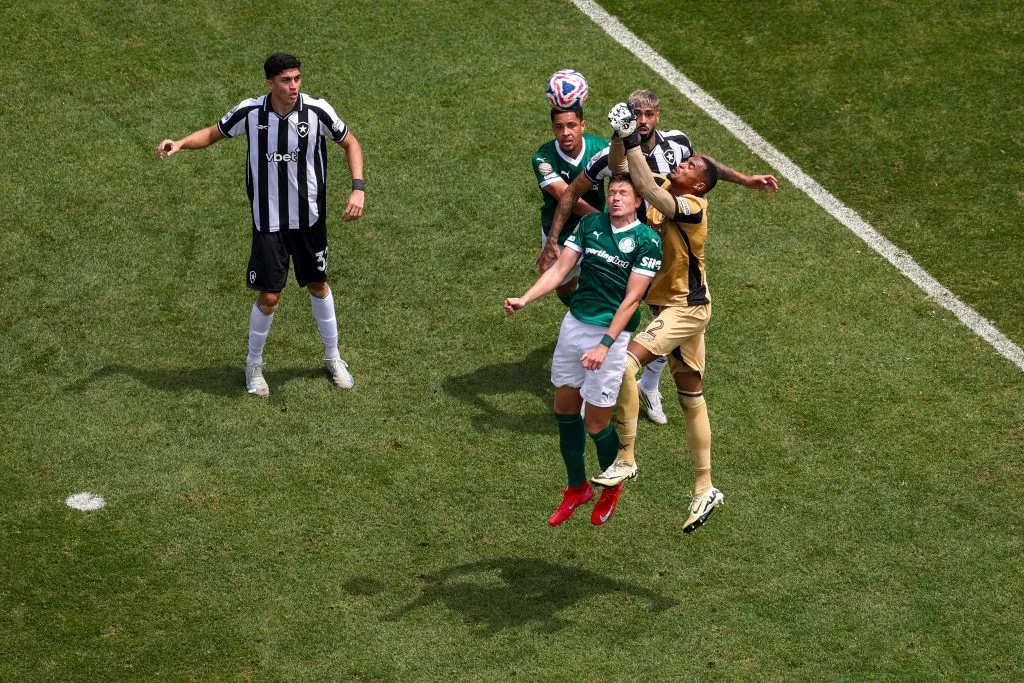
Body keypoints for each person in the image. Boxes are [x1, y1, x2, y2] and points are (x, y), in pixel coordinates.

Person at [539, 89, 778, 425]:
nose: (643, 121)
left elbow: (705, 169)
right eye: (636, 115)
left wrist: (744, 180)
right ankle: (593, 392)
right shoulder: (612, 155)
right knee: (615, 313)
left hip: (669, 250)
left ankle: (648, 387)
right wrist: (553, 239)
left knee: (661, 320)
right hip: (630, 249)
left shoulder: (678, 147)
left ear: (658, 116)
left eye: (649, 114)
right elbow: (572, 193)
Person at [594, 102, 776, 533]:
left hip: (686, 309)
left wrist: (635, 138)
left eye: (691, 164)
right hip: (672, 308)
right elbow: (622, 173)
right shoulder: (666, 186)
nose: (684, 162)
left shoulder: (691, 206)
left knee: (623, 363)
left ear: (698, 184)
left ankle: (626, 457)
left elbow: (649, 191)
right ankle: (705, 487)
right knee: (691, 395)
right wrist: (621, 137)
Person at [156, 53, 364, 397]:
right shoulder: (252, 112)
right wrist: (181, 143)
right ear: (270, 83)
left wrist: (358, 188)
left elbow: (350, 142)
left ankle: (333, 357)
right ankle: (253, 365)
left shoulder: (317, 111)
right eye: (286, 80)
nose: (294, 86)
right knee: (269, 295)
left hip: (309, 220)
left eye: (297, 78)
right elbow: (213, 133)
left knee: (318, 283)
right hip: (269, 223)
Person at [505, 175, 662, 527]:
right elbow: (561, 268)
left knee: (595, 423)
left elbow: (632, 298)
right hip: (574, 325)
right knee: (564, 410)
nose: (616, 197)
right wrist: (525, 298)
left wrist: (605, 346)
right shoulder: (591, 224)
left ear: (638, 202)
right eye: (613, 192)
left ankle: (612, 482)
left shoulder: (647, 241)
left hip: (610, 335)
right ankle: (577, 487)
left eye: (624, 193)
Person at [530, 104, 607, 305]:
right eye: (559, 127)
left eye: (571, 125)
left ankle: (598, 325)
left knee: (607, 284)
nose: (565, 133)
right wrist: (606, 220)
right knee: (563, 287)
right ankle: (579, 312)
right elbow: (567, 198)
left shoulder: (601, 148)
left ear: (582, 125)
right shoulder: (543, 158)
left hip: (596, 230)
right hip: (562, 233)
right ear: (553, 128)